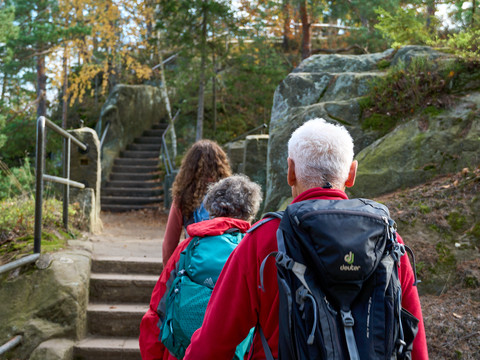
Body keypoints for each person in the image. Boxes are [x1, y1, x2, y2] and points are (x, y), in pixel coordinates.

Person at [184, 118, 429, 359]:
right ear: (351, 174)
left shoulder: (263, 238)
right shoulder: (388, 239)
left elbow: (211, 345)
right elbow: (414, 342)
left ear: (290, 172)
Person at [140, 174, 263, 360]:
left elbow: (156, 313)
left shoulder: (187, 248)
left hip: (182, 353)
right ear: (250, 213)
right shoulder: (255, 251)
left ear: (212, 209)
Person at [162, 139, 231, 266]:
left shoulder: (183, 197)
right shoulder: (230, 195)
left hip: (195, 266)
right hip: (224, 266)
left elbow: (169, 244)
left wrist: (168, 273)